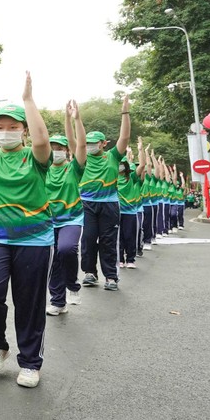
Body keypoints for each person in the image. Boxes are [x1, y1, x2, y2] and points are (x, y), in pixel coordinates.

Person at [0, 78, 53, 389]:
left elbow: (43, 139)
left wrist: (28, 101)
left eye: (13, 126)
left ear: (23, 130)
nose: (5, 131)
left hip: (34, 239)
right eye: (0, 126)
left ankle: (31, 362)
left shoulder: (36, 159)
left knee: (29, 301)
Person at [76, 98, 131, 291]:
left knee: (108, 240)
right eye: (88, 142)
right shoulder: (81, 158)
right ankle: (90, 272)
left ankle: (111, 276)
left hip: (109, 204)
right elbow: (77, 141)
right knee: (88, 238)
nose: (90, 145)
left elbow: (124, 138)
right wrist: (76, 119)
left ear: (104, 143)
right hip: (87, 204)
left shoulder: (113, 157)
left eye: (94, 143)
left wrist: (125, 113)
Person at [45, 102, 85, 315]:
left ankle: (72, 285)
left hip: (71, 219)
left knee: (66, 249)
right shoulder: (42, 169)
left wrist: (72, 119)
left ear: (66, 151)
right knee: (54, 260)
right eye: (52, 149)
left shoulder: (73, 169)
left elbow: (80, 146)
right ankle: (58, 301)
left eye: (59, 149)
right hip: (48, 221)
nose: (55, 152)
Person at [117, 140, 146, 270]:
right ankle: (120, 259)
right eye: (118, 164)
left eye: (122, 164)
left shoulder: (132, 178)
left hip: (130, 212)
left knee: (129, 235)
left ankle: (130, 259)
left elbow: (142, 165)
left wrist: (140, 150)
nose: (120, 166)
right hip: (116, 212)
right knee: (119, 237)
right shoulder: (112, 177)